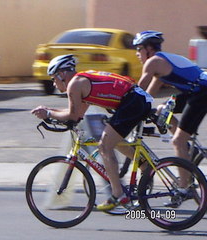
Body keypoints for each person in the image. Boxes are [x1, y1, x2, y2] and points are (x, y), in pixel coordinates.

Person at [31, 54, 153, 210]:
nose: (54, 84)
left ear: (62, 74)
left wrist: (48, 114)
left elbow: (72, 115)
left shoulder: (74, 86)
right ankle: (144, 165)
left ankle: (118, 194)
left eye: (53, 78)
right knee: (112, 139)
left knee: (104, 146)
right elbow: (77, 115)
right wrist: (49, 111)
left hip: (133, 101)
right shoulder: (82, 81)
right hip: (135, 99)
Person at [133, 30, 207, 198]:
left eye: (139, 49)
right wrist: (143, 110)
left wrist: (124, 108)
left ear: (149, 49)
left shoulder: (153, 62)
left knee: (177, 140)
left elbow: (139, 91)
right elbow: (147, 96)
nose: (137, 54)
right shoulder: (161, 63)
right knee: (161, 110)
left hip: (202, 92)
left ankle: (184, 187)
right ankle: (186, 149)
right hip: (194, 90)